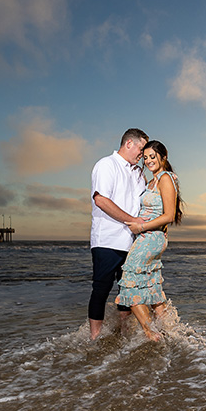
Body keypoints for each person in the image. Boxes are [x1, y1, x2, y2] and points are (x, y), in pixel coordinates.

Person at [115, 140, 184, 342]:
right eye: (145, 158)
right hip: (149, 237)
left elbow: (169, 215)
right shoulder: (152, 181)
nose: (148, 161)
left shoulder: (165, 178)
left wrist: (140, 227)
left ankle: (150, 333)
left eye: (152, 156)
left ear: (163, 157)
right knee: (151, 285)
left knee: (129, 281)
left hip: (151, 237)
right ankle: (171, 333)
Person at [88, 128, 149, 340]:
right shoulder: (107, 165)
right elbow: (101, 200)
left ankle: (124, 335)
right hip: (107, 239)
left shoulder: (138, 174)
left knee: (128, 292)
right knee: (101, 289)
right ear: (128, 143)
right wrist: (131, 220)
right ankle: (94, 338)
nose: (142, 154)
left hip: (132, 243)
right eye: (141, 149)